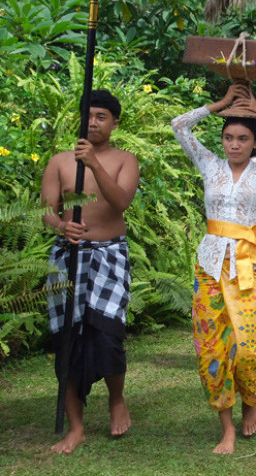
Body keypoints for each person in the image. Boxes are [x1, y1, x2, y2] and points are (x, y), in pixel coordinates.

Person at [171, 82, 256, 456]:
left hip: (249, 265)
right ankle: (225, 425)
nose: (233, 145)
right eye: (228, 137)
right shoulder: (209, 164)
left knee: (246, 349)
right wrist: (221, 104)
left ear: (253, 140)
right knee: (211, 349)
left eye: (242, 138)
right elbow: (179, 126)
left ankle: (251, 403)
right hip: (210, 266)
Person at [42, 89, 140, 454]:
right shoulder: (59, 162)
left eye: (102, 117)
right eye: (89, 116)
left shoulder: (124, 160)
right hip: (69, 257)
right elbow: (48, 210)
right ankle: (76, 426)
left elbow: (122, 201)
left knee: (108, 333)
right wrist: (61, 226)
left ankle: (116, 400)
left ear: (114, 123)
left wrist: (94, 164)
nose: (94, 123)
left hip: (110, 255)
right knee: (66, 338)